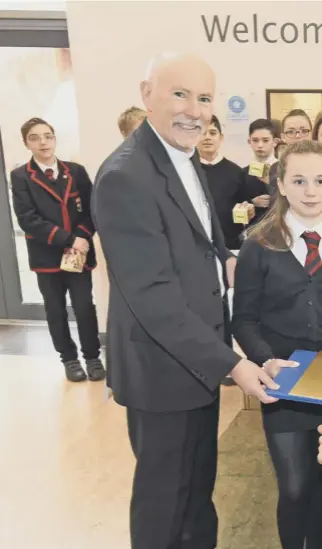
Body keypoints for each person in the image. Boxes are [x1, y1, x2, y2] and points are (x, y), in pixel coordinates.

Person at [91, 52, 278, 549]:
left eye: (204, 98)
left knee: (197, 491)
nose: (194, 110)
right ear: (146, 93)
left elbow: (206, 243)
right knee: (163, 501)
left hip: (197, 362)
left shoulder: (183, 154)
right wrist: (234, 364)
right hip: (161, 371)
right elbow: (153, 297)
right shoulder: (125, 176)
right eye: (180, 94)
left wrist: (238, 266)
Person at [233, 140, 322, 549]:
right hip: (285, 383)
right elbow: (245, 319)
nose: (311, 191)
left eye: (320, 180)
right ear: (281, 184)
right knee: (295, 487)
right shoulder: (259, 243)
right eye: (299, 180)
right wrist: (265, 359)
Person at [11, 117, 105, 383]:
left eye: (48, 136)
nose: (43, 142)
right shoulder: (20, 177)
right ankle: (69, 359)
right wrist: (68, 239)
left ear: (54, 139)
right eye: (35, 137)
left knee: (85, 307)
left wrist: (82, 237)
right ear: (26, 143)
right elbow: (27, 218)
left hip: (79, 254)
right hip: (47, 257)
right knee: (55, 310)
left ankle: (93, 357)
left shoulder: (75, 171)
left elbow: (91, 210)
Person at [198, 114, 254, 250]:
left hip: (230, 246)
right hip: (196, 246)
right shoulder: (187, 171)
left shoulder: (236, 172)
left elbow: (245, 206)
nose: (207, 137)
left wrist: (249, 210)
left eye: (212, 133)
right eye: (202, 133)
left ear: (221, 138)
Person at [269, 109, 312, 198]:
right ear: (283, 137)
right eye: (291, 132)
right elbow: (276, 205)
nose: (298, 136)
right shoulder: (275, 169)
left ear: (311, 133)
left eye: (304, 131)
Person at [243, 119, 278, 226]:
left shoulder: (285, 169)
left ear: (275, 142)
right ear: (249, 141)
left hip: (281, 230)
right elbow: (236, 204)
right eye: (255, 140)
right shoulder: (242, 173)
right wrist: (251, 203)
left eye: (265, 140)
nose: (260, 145)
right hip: (252, 232)